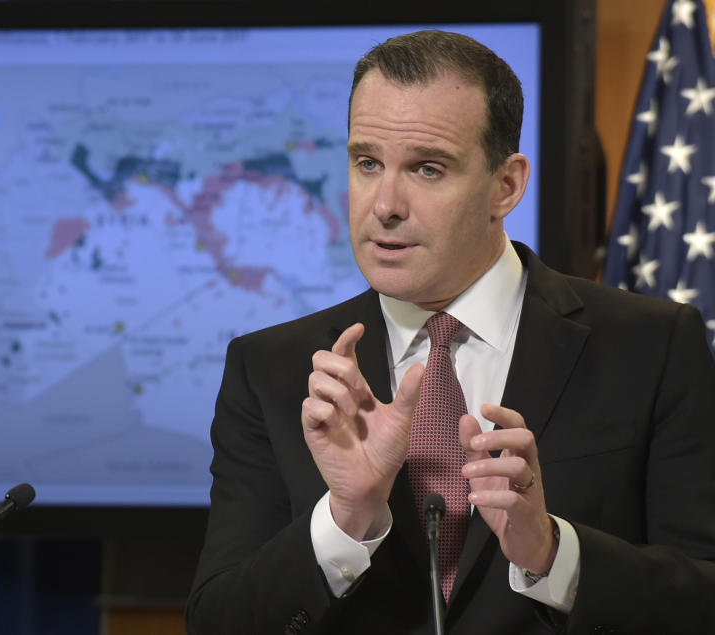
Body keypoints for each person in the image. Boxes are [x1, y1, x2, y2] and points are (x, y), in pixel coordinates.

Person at [186, 30, 715, 634]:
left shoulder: (650, 347)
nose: (384, 204)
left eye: (427, 168)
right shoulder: (273, 370)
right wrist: (344, 518)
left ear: (506, 186)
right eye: (367, 163)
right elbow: (218, 624)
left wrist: (552, 554)